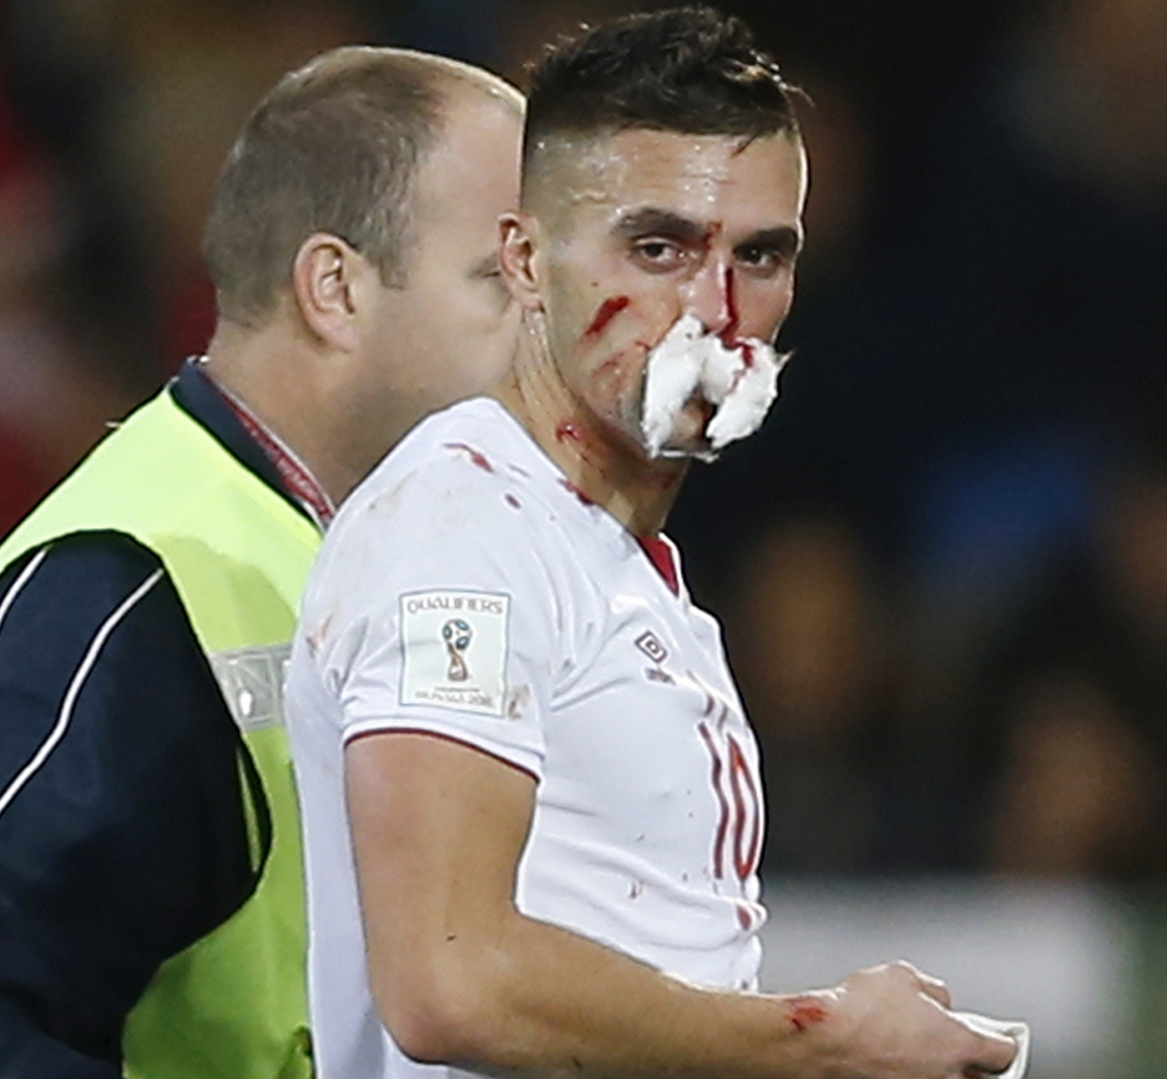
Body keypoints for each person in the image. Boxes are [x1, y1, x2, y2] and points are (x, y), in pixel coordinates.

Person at [286, 9, 1024, 1079]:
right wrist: (819, 1041)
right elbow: (450, 980)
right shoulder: (463, 533)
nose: (716, 310)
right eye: (660, 246)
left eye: (761, 255)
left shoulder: (619, 568)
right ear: (528, 258)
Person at [0, 46, 525, 1079]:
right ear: (335, 289)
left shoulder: (392, 553)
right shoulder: (132, 578)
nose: (543, 332)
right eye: (499, 279)